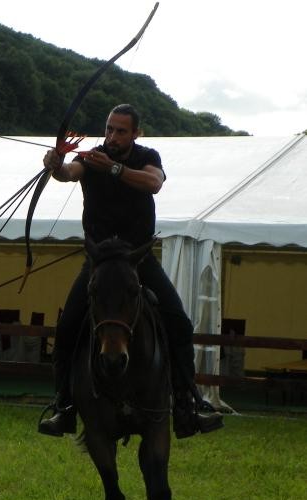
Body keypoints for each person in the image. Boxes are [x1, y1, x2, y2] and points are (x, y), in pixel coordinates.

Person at [38, 104, 223, 439]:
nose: (112, 136)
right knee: (66, 328)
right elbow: (69, 173)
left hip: (139, 260)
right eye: (109, 129)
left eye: (121, 131)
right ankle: (64, 406)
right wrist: (55, 166)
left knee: (178, 323)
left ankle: (187, 404)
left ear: (136, 133)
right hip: (100, 262)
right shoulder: (92, 158)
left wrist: (114, 170)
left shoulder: (146, 157)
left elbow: (153, 183)